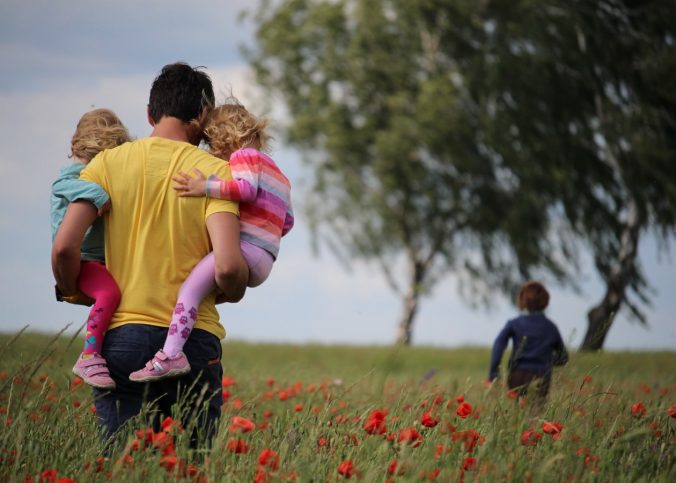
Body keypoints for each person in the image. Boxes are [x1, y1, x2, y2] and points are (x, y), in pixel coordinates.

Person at [51, 62, 249, 446]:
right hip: (193, 342)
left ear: (149, 114)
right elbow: (227, 266)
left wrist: (72, 287)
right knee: (190, 467)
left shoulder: (106, 165)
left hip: (121, 338)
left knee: (124, 463)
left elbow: (63, 246)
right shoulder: (216, 174)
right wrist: (235, 287)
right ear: (203, 116)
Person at [129, 101, 294, 382]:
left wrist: (203, 186)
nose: (212, 152)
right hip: (266, 258)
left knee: (189, 292)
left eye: (211, 143)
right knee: (203, 291)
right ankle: (179, 341)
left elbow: (245, 189)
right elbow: (287, 222)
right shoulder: (279, 174)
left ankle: (170, 354)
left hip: (246, 250)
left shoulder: (244, 157)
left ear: (224, 137)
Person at [50, 108, 130, 390]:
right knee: (109, 293)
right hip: (83, 260)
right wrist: (99, 195)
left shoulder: (89, 172)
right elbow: (64, 186)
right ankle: (89, 355)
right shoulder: (75, 175)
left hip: (97, 259)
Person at [487, 281, 568, 402]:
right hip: (542, 376)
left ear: (522, 300)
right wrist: (547, 361)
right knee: (536, 414)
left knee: (517, 414)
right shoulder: (551, 327)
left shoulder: (514, 324)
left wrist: (494, 373)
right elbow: (563, 357)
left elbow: (498, 345)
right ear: (545, 302)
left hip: (517, 375)